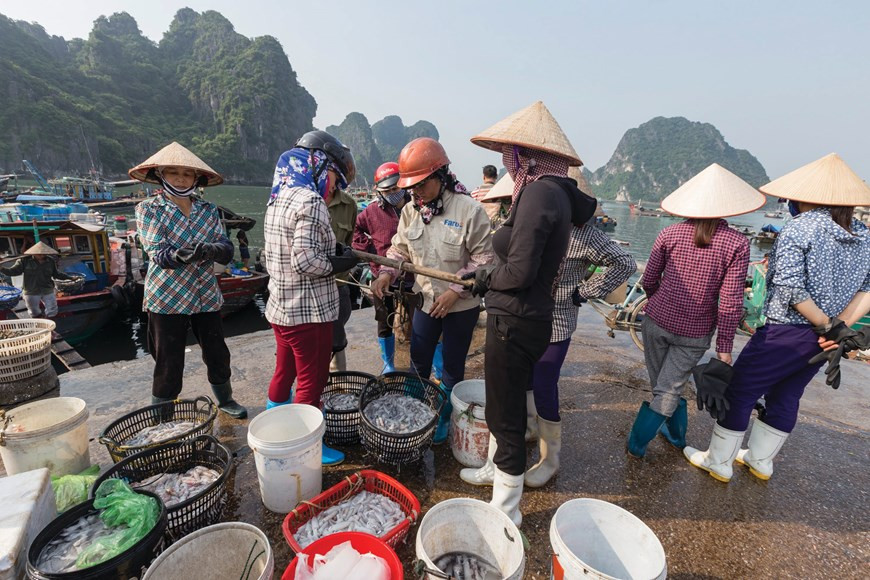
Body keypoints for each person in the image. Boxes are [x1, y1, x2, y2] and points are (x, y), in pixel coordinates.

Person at [685, 153, 870, 482]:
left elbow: (790, 288)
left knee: (740, 392)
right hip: (825, 338)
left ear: (803, 197)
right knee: (787, 395)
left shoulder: (799, 229)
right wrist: (839, 327)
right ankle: (760, 461)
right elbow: (867, 289)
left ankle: (719, 462)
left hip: (786, 332)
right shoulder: (864, 234)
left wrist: (827, 324)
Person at [461, 101, 596, 525]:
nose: (507, 161)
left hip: (515, 321)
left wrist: (485, 277)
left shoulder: (539, 193)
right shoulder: (551, 192)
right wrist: (490, 275)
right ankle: (499, 478)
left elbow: (518, 271)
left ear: (527, 155)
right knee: (511, 407)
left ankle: (506, 512)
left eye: (510, 153)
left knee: (506, 416)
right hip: (525, 317)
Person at [461, 170, 636, 488]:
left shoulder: (583, 234)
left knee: (543, 387)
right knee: (518, 388)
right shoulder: (527, 218)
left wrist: (582, 291)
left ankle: (550, 459)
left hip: (556, 321)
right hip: (519, 318)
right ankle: (520, 438)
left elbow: (625, 262)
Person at [626, 163, 762, 459]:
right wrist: (724, 347)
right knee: (668, 386)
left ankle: (646, 440)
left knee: (663, 385)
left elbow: (648, 280)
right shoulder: (737, 244)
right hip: (696, 332)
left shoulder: (669, 234)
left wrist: (656, 299)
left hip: (657, 321)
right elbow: (729, 301)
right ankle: (664, 437)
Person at [371, 138, 493, 444]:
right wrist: (387, 272)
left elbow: (484, 259)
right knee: (418, 360)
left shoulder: (469, 210)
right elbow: (399, 250)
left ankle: (444, 420)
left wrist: (454, 291)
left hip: (460, 306)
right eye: (410, 187)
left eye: (421, 185)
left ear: (441, 176)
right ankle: (414, 408)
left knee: (452, 366)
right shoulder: (411, 211)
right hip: (425, 301)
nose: (415, 193)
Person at [263, 130, 358, 466]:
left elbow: (288, 246)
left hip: (279, 308)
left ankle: (274, 426)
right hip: (309, 313)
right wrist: (338, 262)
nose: (335, 187)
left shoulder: (278, 196)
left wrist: (332, 249)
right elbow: (305, 261)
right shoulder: (311, 200)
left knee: (283, 372)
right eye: (335, 177)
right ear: (319, 166)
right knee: (311, 382)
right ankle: (305, 448)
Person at [131, 142, 246, 418]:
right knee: (169, 360)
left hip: (206, 293)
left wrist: (210, 249)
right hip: (167, 298)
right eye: (173, 173)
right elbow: (159, 253)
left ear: (197, 179)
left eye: (187, 174)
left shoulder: (208, 209)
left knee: (217, 352)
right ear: (160, 175)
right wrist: (193, 253)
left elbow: (225, 247)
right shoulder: (148, 210)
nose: (181, 179)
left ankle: (225, 399)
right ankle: (163, 414)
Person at [353, 162, 412, 373]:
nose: (392, 194)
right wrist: (371, 252)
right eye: (386, 191)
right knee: (383, 320)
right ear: (379, 191)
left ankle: (432, 364)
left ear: (404, 185)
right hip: (382, 273)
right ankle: (388, 363)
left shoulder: (416, 206)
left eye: (396, 189)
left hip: (413, 275)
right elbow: (355, 230)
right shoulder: (371, 212)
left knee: (420, 320)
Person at [326, 173, 358, 372]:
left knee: (337, 340)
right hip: (307, 288)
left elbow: (349, 243)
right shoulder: (302, 200)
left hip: (338, 284)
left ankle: (339, 387)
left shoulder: (349, 205)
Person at [0, 242, 73, 318]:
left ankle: (50, 320)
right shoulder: (24, 260)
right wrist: (2, 268)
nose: (42, 255)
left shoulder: (50, 260)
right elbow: (13, 272)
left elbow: (56, 274)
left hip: (47, 289)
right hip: (31, 290)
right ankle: (39, 319)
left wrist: (70, 277)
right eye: (39, 254)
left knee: (52, 309)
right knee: (33, 310)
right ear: (33, 253)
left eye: (44, 254)